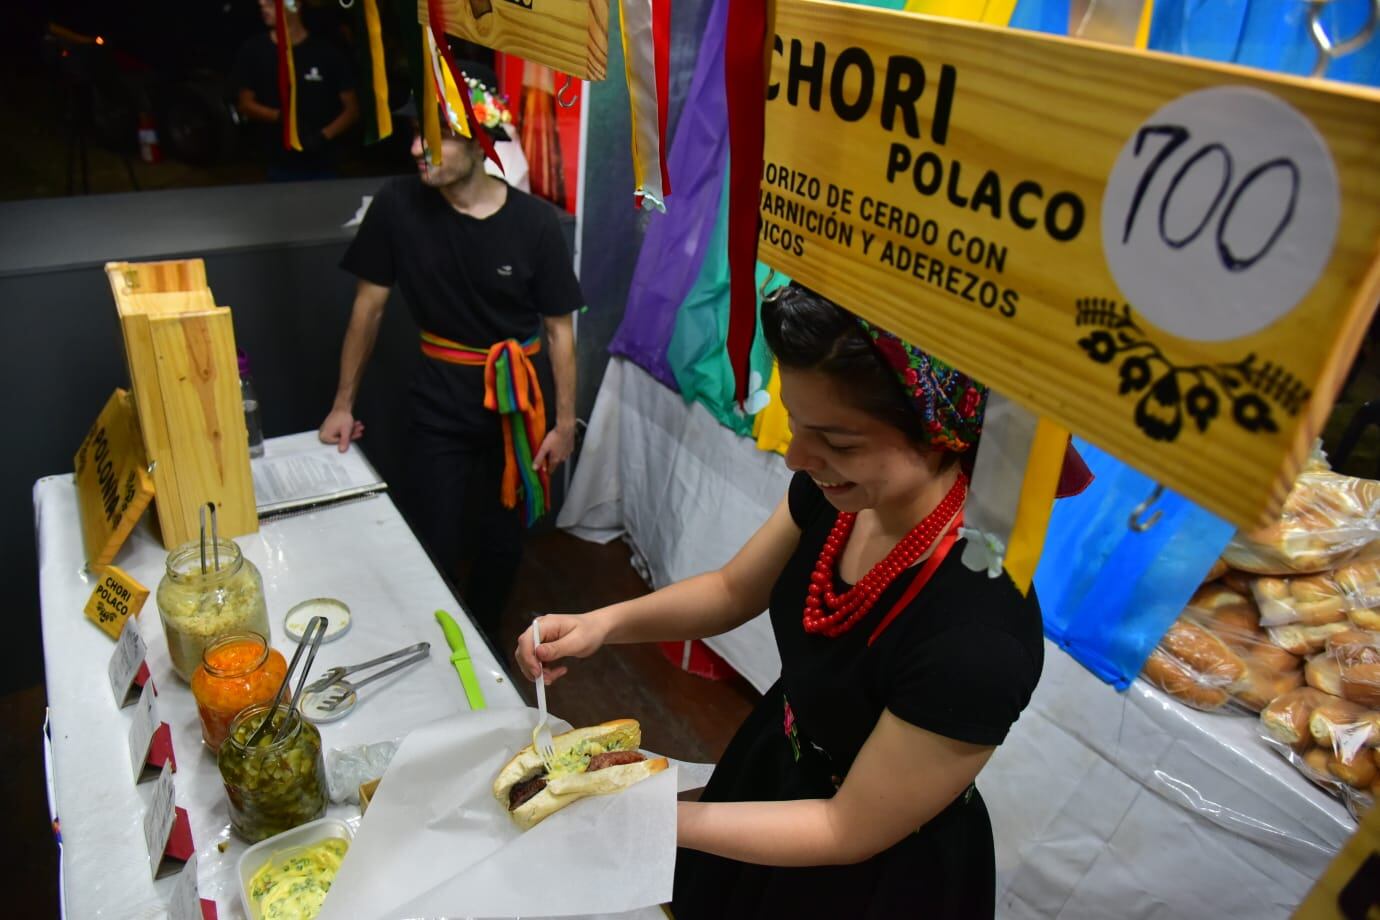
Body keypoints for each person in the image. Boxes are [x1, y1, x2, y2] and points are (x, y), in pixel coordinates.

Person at [516, 284, 1081, 917]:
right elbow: (733, 590)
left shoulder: (978, 635)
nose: (796, 458)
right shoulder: (839, 499)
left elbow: (848, 829)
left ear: (941, 432)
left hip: (867, 873)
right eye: (796, 424)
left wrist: (643, 814)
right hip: (777, 771)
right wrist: (602, 624)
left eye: (837, 443)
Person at [319, 61, 581, 637]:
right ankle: (435, 640)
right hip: (438, 400)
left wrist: (564, 424)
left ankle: (483, 636)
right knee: (432, 534)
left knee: (502, 541)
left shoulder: (535, 224)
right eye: (415, 133)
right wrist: (342, 404)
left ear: (481, 141)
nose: (417, 147)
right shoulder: (396, 206)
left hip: (515, 408)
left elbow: (559, 329)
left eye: (434, 137)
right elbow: (369, 307)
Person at [231, 0, 359, 181]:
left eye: (269, 2)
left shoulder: (327, 53)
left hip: (324, 164)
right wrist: (281, 117)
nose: (262, 4)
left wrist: (323, 136)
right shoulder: (254, 51)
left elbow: (352, 109)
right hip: (277, 163)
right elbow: (245, 103)